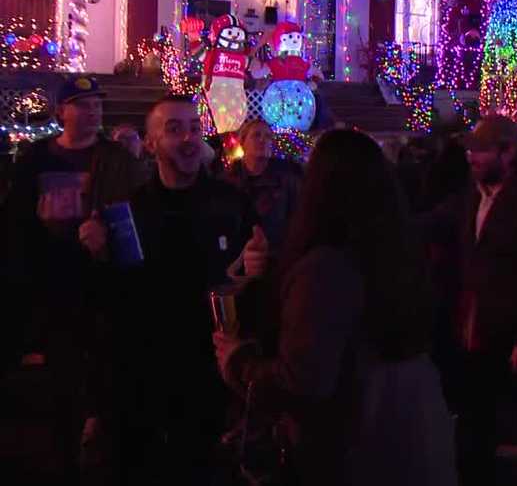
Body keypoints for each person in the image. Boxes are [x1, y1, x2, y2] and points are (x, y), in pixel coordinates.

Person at [213, 130, 456, 485]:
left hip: (355, 432)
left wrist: (239, 363)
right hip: (413, 416)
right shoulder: (397, 247)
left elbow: (304, 380)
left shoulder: (324, 268)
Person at [83, 95, 258, 484]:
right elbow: (113, 301)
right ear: (150, 144)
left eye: (194, 128)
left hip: (211, 373)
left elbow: (253, 278)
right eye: (174, 129)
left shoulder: (230, 203)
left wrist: (260, 266)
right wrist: (96, 253)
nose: (188, 138)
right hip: (146, 374)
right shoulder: (129, 211)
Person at [3, 75, 145, 479]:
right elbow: (18, 219)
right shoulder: (36, 159)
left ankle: (100, 443)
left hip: (101, 282)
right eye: (82, 104)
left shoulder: (115, 159)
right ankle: (64, 450)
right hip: (52, 283)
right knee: (61, 374)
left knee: (105, 368)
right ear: (61, 111)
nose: (92, 111)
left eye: (96, 104)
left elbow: (136, 212)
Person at [430, 116, 517, 485]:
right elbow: (438, 228)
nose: (472, 157)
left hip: (516, 329)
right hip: (479, 328)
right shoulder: (472, 195)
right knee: (477, 419)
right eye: (470, 150)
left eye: (481, 150)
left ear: (508, 154)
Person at [222, 119, 303, 249]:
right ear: (243, 142)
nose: (263, 140)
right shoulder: (229, 181)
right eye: (256, 135)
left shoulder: (286, 178)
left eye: (268, 136)